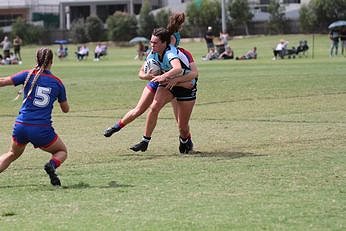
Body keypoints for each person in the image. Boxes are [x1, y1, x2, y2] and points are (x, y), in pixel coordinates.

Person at [0, 47, 69, 186]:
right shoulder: (57, 82)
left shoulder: (28, 74)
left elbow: (2, 81)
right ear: (51, 61)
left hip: (21, 126)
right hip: (41, 129)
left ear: (36, 59)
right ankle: (51, 165)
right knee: (61, 151)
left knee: (12, 154)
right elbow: (65, 109)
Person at [130, 27, 197, 154]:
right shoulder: (154, 53)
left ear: (165, 42)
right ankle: (145, 140)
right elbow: (142, 72)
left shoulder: (171, 53)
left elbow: (180, 69)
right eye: (151, 42)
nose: (151, 45)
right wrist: (150, 75)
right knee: (154, 106)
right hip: (169, 83)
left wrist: (166, 77)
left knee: (182, 127)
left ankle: (185, 140)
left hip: (186, 85)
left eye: (155, 43)